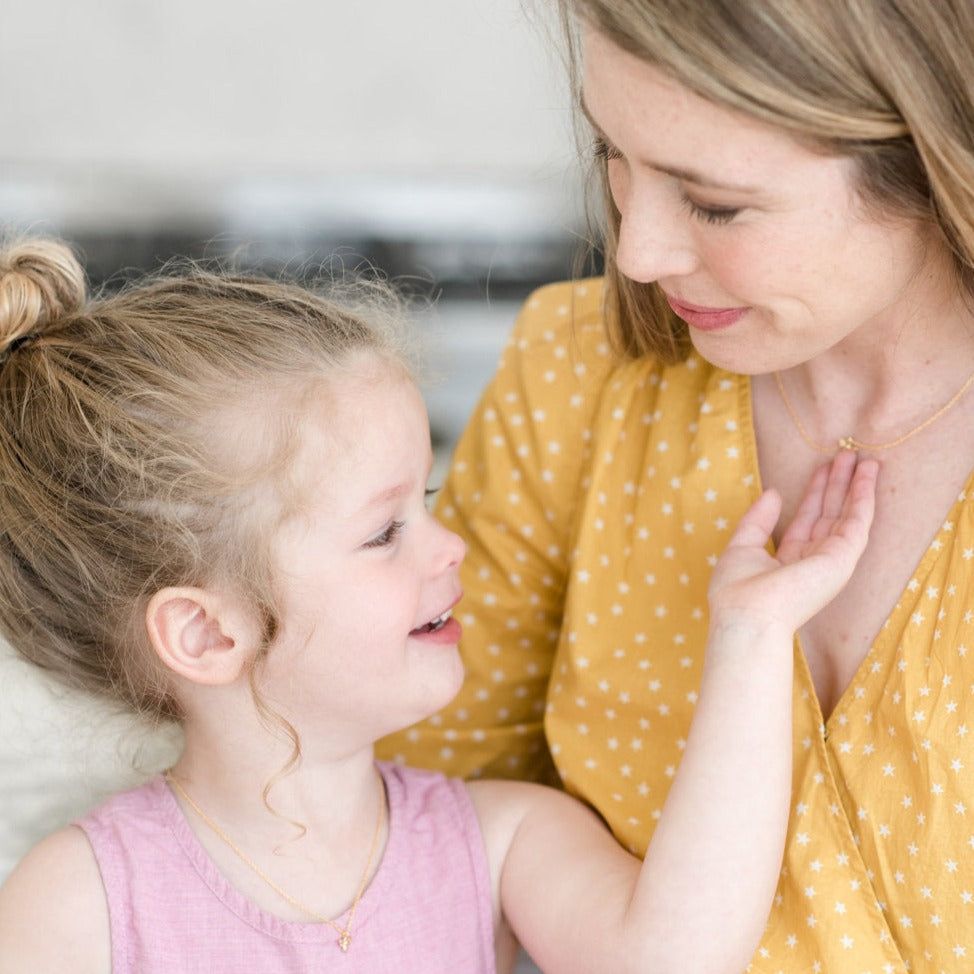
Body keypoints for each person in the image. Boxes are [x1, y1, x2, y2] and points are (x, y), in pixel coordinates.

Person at [0, 237, 874, 973]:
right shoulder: (75, 905)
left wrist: (754, 635)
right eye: (385, 532)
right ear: (206, 631)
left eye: (430, 496)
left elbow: (676, 957)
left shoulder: (498, 842)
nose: (450, 544)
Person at [376, 0, 974, 969]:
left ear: (930, 147)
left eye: (713, 204)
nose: (636, 252)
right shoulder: (573, 380)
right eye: (614, 153)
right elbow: (402, 849)